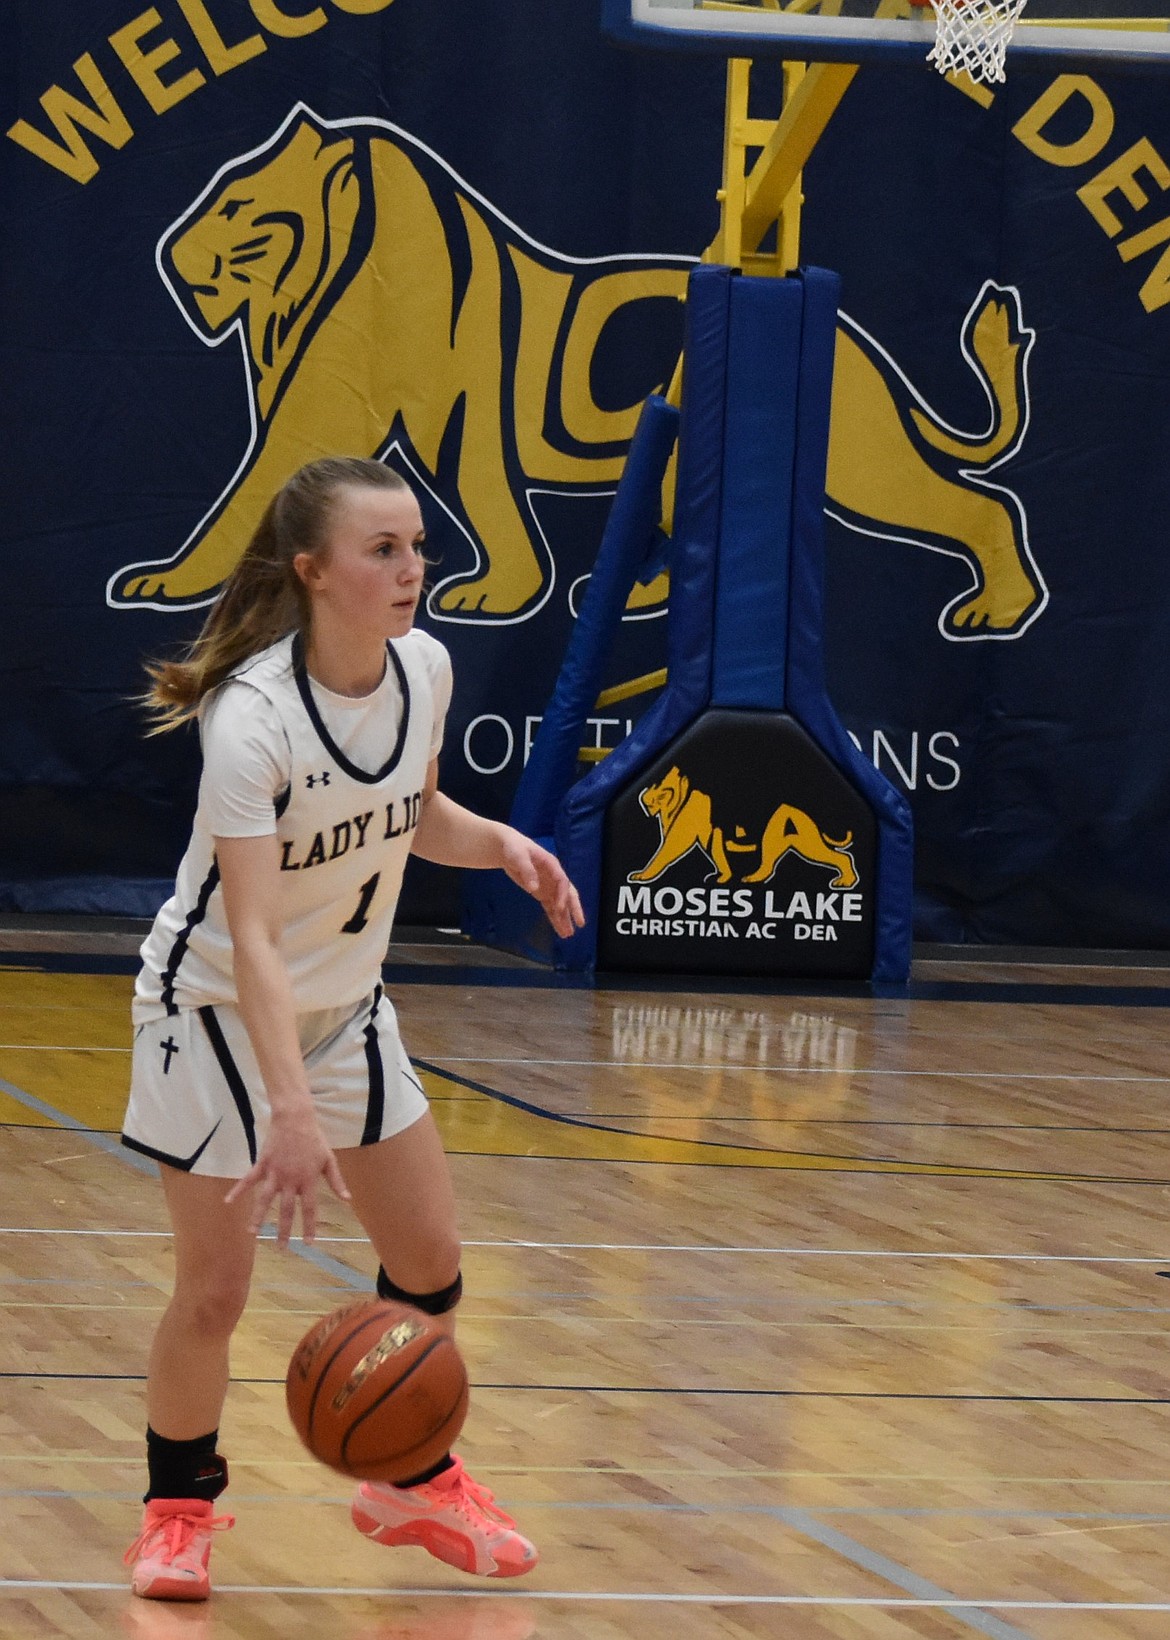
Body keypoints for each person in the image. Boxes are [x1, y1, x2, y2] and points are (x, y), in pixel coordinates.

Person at [119, 456, 584, 1601]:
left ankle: (405, 1477)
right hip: (216, 1012)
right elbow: (257, 939)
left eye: (417, 545)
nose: (412, 567)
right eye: (384, 550)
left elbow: (416, 813)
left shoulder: (424, 666)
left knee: (427, 1261)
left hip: (348, 1006)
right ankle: (177, 1511)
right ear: (314, 572)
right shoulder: (252, 721)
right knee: (215, 1292)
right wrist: (286, 1107)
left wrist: (505, 845)